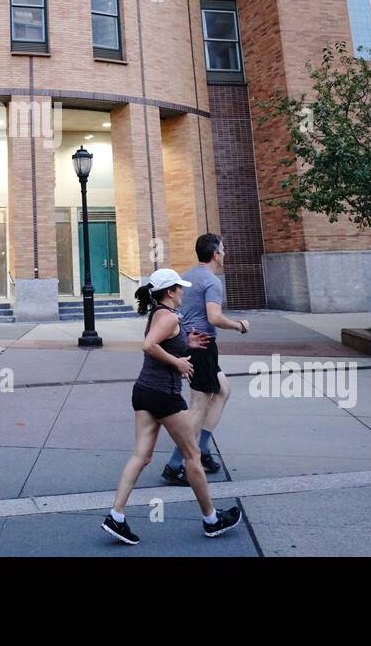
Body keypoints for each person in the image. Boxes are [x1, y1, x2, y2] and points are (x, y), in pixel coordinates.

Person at [101, 267, 242, 545]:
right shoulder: (166, 316)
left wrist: (185, 344)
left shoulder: (161, 315)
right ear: (169, 291)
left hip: (144, 392)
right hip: (164, 395)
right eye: (179, 287)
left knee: (141, 455)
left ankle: (115, 516)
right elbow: (149, 344)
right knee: (192, 456)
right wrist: (178, 362)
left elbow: (163, 342)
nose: (183, 292)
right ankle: (211, 520)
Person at [161, 233, 250, 486]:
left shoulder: (187, 276)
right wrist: (239, 325)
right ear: (215, 254)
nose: (225, 253)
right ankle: (176, 464)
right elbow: (214, 317)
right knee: (199, 405)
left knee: (223, 390)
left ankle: (203, 449)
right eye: (223, 249)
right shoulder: (212, 280)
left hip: (191, 343)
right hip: (202, 345)